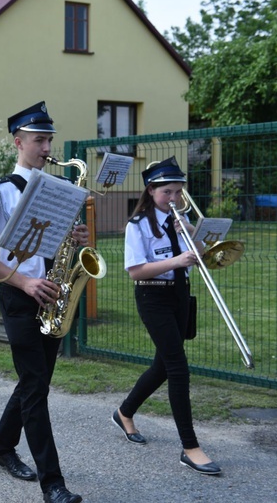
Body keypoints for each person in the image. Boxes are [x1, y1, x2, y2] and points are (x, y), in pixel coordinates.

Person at [0, 101, 86, 503]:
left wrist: (78, 240)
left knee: (36, 381)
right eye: (39, 139)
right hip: (19, 296)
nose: (47, 146)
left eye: (49, 138)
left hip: (52, 294)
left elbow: (58, 245)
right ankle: (53, 484)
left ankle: (2, 447)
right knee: (36, 385)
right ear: (18, 142)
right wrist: (23, 282)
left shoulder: (57, 190)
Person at [112, 156, 221, 475]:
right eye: (167, 192)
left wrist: (191, 232)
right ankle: (190, 447)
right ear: (151, 190)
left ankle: (124, 412)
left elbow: (201, 255)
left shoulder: (181, 219)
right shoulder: (138, 225)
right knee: (177, 367)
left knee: (163, 364)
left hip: (180, 295)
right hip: (152, 295)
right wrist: (176, 261)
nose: (174, 198)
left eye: (178, 192)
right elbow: (135, 270)